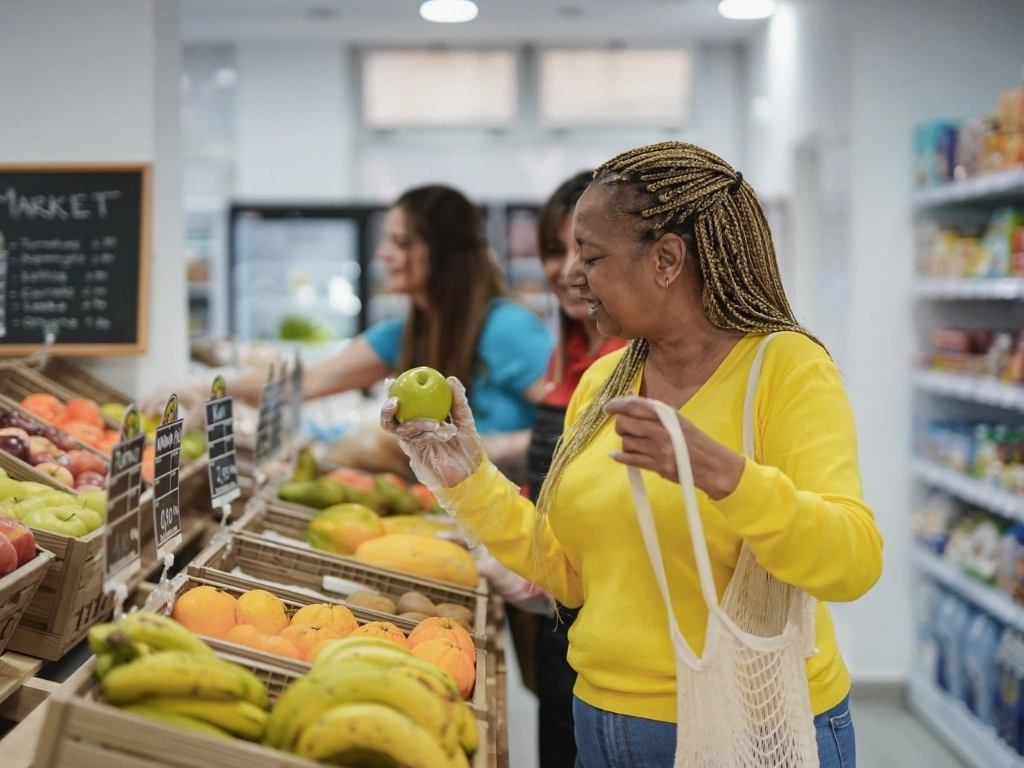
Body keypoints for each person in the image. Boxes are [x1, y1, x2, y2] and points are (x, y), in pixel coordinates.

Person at [382, 142, 883, 768]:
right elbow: (565, 572)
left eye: (591, 256)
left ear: (667, 259)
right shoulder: (604, 383)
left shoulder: (786, 369)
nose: (570, 276)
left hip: (753, 723)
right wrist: (466, 478)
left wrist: (726, 477)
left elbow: (853, 560)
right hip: (603, 721)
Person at [148, 185, 553, 464]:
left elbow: (573, 422)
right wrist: (213, 385)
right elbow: (303, 384)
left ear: (444, 253)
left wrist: (491, 449)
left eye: (401, 242)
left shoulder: (505, 328)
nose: (384, 254)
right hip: (456, 509)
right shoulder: (409, 332)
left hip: (512, 516)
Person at [507, 171, 626, 768]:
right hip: (557, 607)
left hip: (597, 621)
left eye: (585, 252)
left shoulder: (628, 362)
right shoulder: (570, 349)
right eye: (555, 252)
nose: (568, 271)